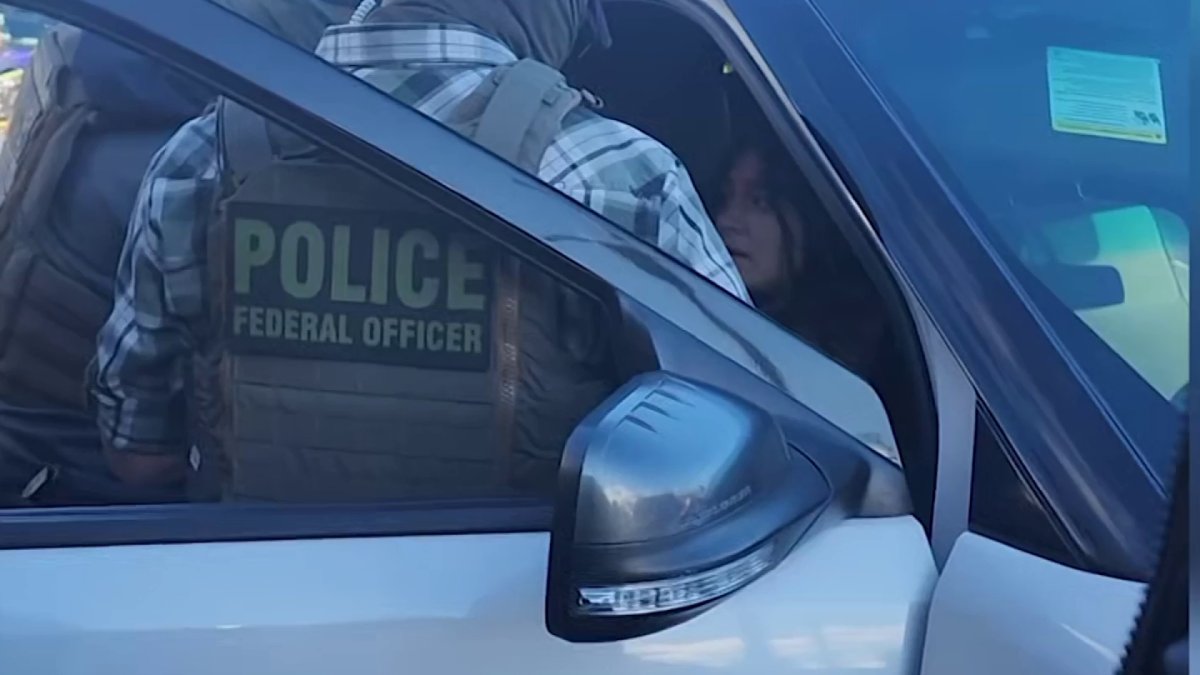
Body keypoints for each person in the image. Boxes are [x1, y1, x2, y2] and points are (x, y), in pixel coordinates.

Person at [90, 0, 750, 502]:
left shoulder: (203, 157)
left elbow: (138, 456)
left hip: (244, 605)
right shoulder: (616, 175)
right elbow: (748, 449)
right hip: (522, 617)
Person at [0, 1, 357, 506]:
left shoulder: (89, 53)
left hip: (41, 445)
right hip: (90, 480)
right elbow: (142, 459)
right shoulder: (209, 157)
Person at [710, 132, 887, 381]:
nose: (726, 220)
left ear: (812, 218)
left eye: (759, 201)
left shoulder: (829, 370)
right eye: (727, 196)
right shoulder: (715, 306)